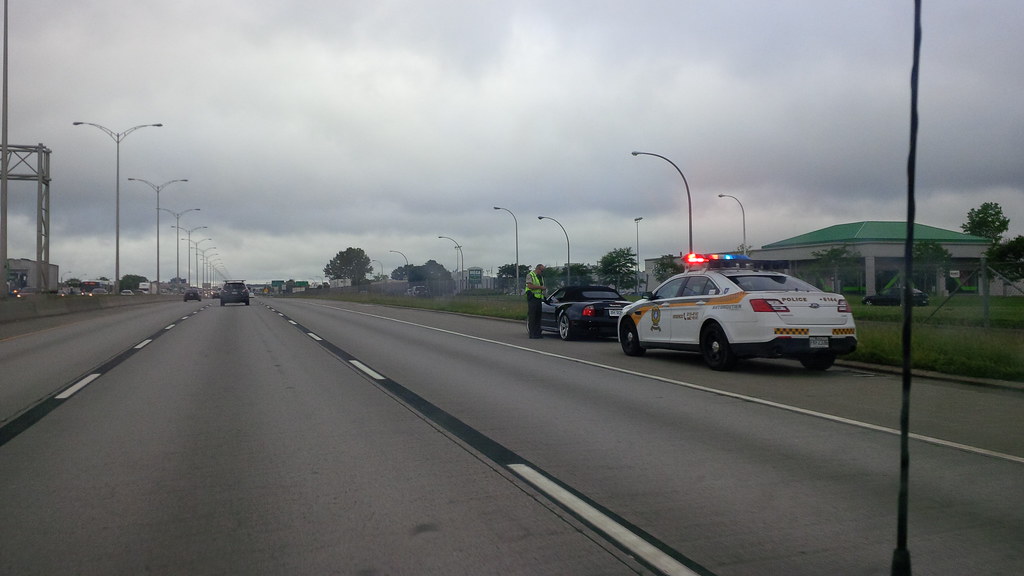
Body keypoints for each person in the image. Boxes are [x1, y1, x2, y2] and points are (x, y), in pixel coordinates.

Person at [525, 264, 546, 338]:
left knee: (538, 316)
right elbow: (530, 286)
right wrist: (540, 287)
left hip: (539, 298)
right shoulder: (530, 275)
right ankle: (532, 333)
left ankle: (538, 333)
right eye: (542, 270)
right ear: (538, 269)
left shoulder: (541, 277)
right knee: (532, 316)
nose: (542, 272)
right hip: (532, 298)